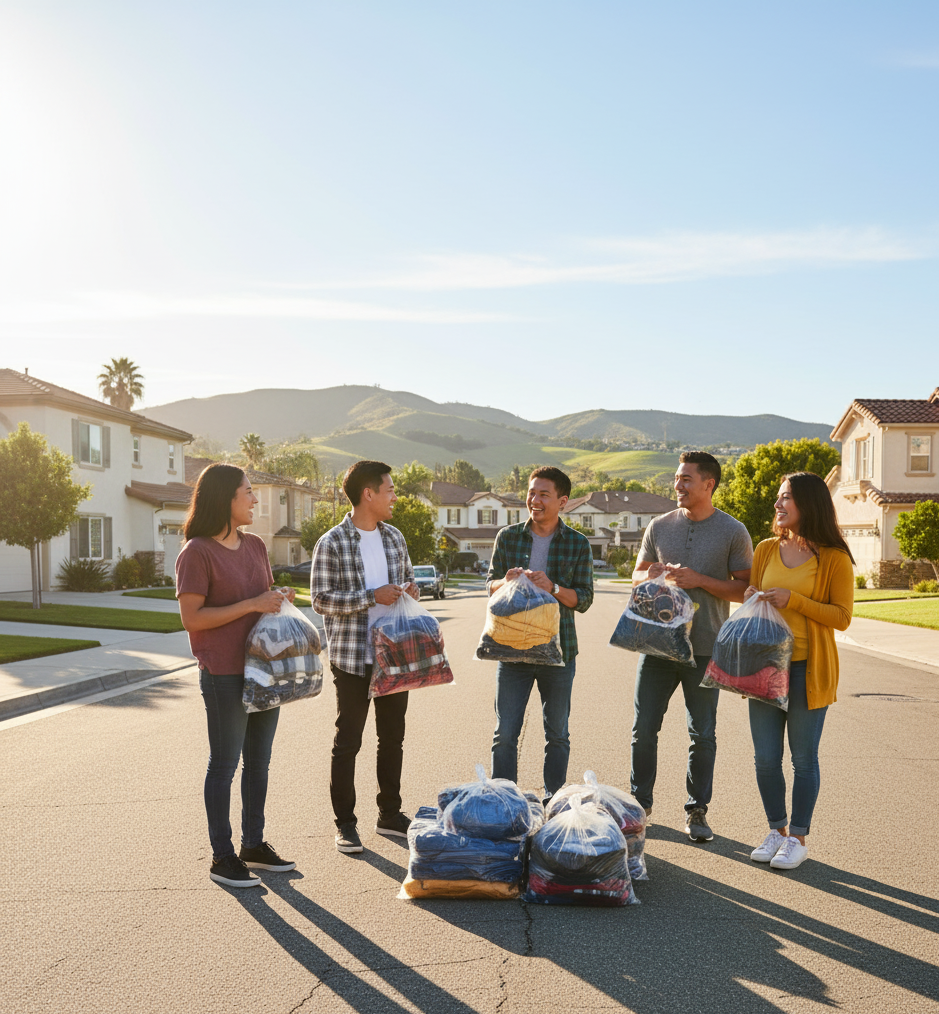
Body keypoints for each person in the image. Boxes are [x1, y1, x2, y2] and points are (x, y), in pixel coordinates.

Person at [176, 463, 297, 888]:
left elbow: (260, 600)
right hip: (224, 671)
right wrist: (252, 605)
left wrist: (277, 598)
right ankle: (222, 857)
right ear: (225, 498)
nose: (255, 498)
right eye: (248, 492)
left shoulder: (257, 546)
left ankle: (253, 844)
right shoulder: (197, 552)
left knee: (259, 763)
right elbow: (193, 618)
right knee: (225, 763)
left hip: (263, 669)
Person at [631, 451, 752, 842]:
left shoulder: (733, 531)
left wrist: (698, 579)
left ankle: (697, 810)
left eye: (686, 479)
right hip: (657, 644)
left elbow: (744, 589)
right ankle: (639, 805)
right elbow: (636, 576)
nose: (678, 485)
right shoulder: (658, 526)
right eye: (677, 478)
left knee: (702, 733)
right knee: (643, 728)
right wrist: (649, 575)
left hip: (704, 647)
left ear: (708, 484)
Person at [744, 472, 854, 870]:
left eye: (786, 497)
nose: (778, 504)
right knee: (764, 758)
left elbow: (842, 617)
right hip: (766, 666)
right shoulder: (766, 549)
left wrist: (796, 599)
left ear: (809, 503)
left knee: (803, 759)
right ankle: (776, 830)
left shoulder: (834, 558)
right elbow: (751, 595)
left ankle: (799, 838)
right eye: (778, 497)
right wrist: (754, 599)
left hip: (809, 667)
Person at [310, 460, 418, 854]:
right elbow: (320, 600)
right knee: (348, 741)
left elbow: (406, 583)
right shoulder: (332, 542)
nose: (394, 496)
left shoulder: (394, 538)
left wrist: (408, 592)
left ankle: (389, 814)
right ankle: (346, 824)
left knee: (393, 739)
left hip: (394, 654)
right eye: (389, 489)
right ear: (368, 494)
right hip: (352, 658)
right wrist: (371, 597)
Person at [487, 466, 594, 802]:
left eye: (543, 494)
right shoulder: (508, 537)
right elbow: (489, 587)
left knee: (557, 733)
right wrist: (504, 582)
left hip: (559, 653)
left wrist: (554, 586)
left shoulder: (578, 544)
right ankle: (505, 802)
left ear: (562, 501)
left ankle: (554, 800)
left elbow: (584, 600)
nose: (534, 500)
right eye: (531, 492)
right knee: (505, 733)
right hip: (512, 650)